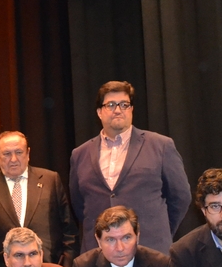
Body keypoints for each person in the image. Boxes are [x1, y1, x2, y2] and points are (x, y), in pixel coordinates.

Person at [69, 81, 190, 254]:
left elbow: (180, 197)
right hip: (98, 255)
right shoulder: (80, 154)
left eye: (124, 105)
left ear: (131, 109)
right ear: (99, 112)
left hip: (150, 249)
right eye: (111, 105)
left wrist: (159, 230)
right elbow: (79, 205)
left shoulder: (160, 146)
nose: (118, 110)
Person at [0, 131, 79, 267]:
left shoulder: (50, 180)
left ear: (28, 153)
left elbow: (69, 231)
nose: (13, 159)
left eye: (19, 152)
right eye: (6, 154)